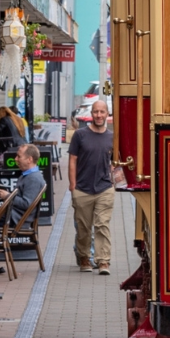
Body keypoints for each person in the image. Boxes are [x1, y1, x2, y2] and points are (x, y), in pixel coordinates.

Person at [67, 99, 120, 274]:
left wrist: (115, 181)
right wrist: (73, 185)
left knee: (102, 225)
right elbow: (72, 159)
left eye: (102, 112)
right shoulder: (80, 135)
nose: (99, 115)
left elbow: (116, 162)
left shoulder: (112, 137)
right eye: (96, 112)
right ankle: (84, 257)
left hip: (104, 188)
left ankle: (103, 261)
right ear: (91, 114)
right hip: (82, 188)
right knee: (83, 228)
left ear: (107, 114)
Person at [5, 144, 45, 229]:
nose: (16, 159)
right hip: (13, 215)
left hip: (16, 219)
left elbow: (26, 204)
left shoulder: (33, 178)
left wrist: (7, 196)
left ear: (29, 159)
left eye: (19, 156)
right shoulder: (27, 175)